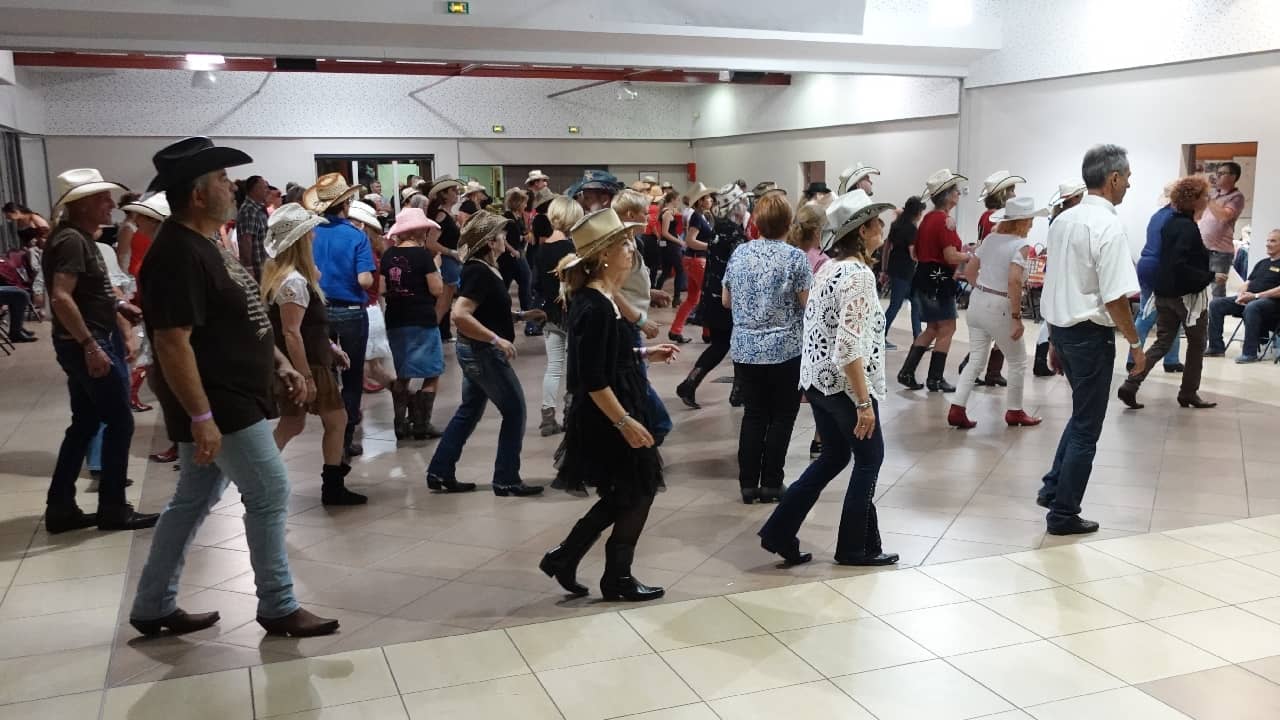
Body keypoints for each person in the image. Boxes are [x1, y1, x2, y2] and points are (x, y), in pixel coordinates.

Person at [130, 136, 338, 638]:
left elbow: (238, 319)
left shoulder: (206, 244)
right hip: (219, 401)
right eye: (223, 180)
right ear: (198, 194)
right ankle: (277, 604)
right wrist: (201, 417)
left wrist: (281, 363)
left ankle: (154, 603)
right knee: (269, 489)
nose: (233, 187)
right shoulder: (177, 252)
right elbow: (173, 342)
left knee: (193, 499)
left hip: (234, 394)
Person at [539, 208, 679, 601]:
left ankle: (568, 557)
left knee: (627, 491)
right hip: (607, 414)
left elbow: (607, 357)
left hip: (617, 403)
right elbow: (591, 377)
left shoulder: (604, 300)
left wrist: (644, 354)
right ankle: (613, 575)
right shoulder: (593, 305)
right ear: (602, 255)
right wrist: (625, 423)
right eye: (623, 243)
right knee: (639, 488)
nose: (631, 249)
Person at [759, 188, 898, 566]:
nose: (881, 228)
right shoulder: (857, 276)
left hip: (817, 381)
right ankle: (854, 546)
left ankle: (778, 531)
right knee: (870, 460)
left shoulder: (829, 269)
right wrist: (864, 403)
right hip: (842, 386)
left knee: (834, 457)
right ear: (864, 230)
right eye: (876, 223)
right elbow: (849, 347)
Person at [41, 169, 157, 534]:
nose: (111, 204)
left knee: (86, 423)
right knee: (119, 421)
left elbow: (89, 291)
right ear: (82, 204)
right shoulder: (73, 241)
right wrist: (90, 344)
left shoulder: (78, 238)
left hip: (83, 340)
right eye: (103, 198)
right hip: (89, 343)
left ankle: (60, 506)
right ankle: (112, 508)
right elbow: (61, 296)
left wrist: (120, 307)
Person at [1037, 144, 1143, 536]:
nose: (1129, 184)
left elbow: (1055, 284)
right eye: (1128, 178)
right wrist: (1135, 343)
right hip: (1090, 335)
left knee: (1081, 415)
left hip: (1062, 329)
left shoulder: (1063, 220)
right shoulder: (1108, 226)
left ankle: (1053, 486)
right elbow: (1115, 297)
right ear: (1113, 178)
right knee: (1087, 427)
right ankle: (1064, 513)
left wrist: (1051, 341)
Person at [426, 210, 546, 497]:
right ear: (491, 242)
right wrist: (496, 339)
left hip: (476, 349)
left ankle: (440, 470)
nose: (506, 239)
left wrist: (519, 315)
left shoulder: (485, 267)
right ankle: (506, 478)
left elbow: (486, 309)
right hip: (482, 351)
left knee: (469, 410)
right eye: (502, 235)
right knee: (514, 410)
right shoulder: (479, 270)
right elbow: (461, 314)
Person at [261, 204, 365, 504]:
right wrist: (306, 376)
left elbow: (302, 328)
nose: (314, 238)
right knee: (337, 420)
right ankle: (331, 487)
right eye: (309, 234)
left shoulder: (288, 278)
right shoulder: (293, 281)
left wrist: (331, 348)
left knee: (293, 423)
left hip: (310, 361)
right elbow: (292, 332)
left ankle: (258, 476)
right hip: (308, 365)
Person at [723, 192, 812, 504]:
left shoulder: (739, 254)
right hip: (785, 348)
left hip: (745, 348)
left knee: (754, 415)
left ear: (757, 222)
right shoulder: (795, 258)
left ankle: (747, 484)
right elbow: (807, 305)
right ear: (789, 223)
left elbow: (726, 300)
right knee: (782, 416)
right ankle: (772, 482)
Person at [946, 196, 1047, 429]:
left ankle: (957, 408)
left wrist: (983, 288)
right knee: (1018, 360)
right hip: (1000, 305)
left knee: (976, 359)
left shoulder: (990, 239)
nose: (1032, 224)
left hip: (978, 300)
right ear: (1022, 221)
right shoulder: (1020, 245)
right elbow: (1014, 281)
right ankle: (1014, 410)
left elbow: (970, 271)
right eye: (1030, 219)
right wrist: (1016, 317)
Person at [1117, 176, 1216, 410]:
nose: (1206, 200)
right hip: (1186, 297)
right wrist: (1207, 277)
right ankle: (1188, 392)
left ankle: (1131, 383)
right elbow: (1179, 264)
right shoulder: (1187, 227)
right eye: (1204, 196)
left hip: (1164, 293)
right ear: (1193, 200)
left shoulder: (1168, 221)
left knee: (1162, 341)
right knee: (1196, 343)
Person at [303, 173, 374, 459]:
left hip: (319, 310)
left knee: (328, 376)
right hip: (351, 312)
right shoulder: (357, 235)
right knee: (353, 376)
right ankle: (345, 438)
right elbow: (365, 280)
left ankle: (331, 432)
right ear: (346, 203)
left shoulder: (311, 233)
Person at [898, 169, 972, 392]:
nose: (959, 194)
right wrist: (970, 256)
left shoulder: (928, 218)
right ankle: (935, 378)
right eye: (956, 191)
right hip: (938, 278)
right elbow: (950, 256)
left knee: (932, 327)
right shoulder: (944, 221)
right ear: (947, 195)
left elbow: (917, 253)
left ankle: (907, 372)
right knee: (948, 327)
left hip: (924, 275)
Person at [381, 207, 447, 441]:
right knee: (433, 371)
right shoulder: (423, 257)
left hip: (396, 319)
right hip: (421, 318)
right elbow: (437, 289)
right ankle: (422, 423)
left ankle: (400, 422)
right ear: (417, 230)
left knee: (403, 372)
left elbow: (381, 288)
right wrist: (436, 268)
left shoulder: (388, 256)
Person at [535, 196, 584, 436]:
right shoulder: (574, 249)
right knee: (574, 367)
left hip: (550, 315)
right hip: (573, 315)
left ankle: (547, 417)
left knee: (553, 368)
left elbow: (535, 284)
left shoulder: (541, 249)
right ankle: (571, 413)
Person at [1033, 180, 1088, 376]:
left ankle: (1043, 358)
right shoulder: (1069, 219)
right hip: (1065, 271)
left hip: (1057, 270)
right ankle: (1046, 358)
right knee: (1055, 316)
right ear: (1075, 198)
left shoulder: (1057, 218)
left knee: (1053, 315)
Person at [1131, 184, 1186, 373]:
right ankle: (1135, 359)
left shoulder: (1158, 215)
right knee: (1150, 316)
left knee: (1155, 313)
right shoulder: (1175, 219)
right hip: (1160, 268)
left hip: (1147, 265)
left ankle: (1171, 359)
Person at [1207, 228, 1280, 362]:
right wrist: (1241, 294)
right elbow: (1247, 282)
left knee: (1253, 306)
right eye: (1268, 240)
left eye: (1273, 241)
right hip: (1250, 299)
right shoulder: (1262, 263)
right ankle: (1216, 348)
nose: (1268, 244)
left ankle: (1249, 353)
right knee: (1216, 304)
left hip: (1271, 304)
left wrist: (1255, 296)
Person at [347, 199, 395, 393]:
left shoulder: (363, 254)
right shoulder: (374, 251)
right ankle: (407, 399)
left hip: (365, 311)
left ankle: (407, 398)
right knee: (371, 366)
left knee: (370, 367)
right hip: (373, 309)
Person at [669, 183, 716, 344]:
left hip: (693, 260)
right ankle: (707, 332)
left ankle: (676, 329)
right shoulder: (697, 217)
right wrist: (710, 246)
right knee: (707, 296)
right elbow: (690, 240)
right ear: (700, 201)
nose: (710, 200)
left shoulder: (701, 216)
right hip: (697, 260)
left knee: (693, 298)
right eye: (707, 198)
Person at [424, 176, 466, 341]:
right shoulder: (442, 215)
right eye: (453, 191)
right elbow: (430, 243)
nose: (457, 194)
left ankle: (436, 334)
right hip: (449, 262)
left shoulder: (448, 214)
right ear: (445, 195)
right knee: (443, 304)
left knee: (446, 303)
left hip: (453, 261)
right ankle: (431, 335)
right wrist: (451, 252)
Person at [880, 196, 925, 349]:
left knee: (911, 303)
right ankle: (880, 336)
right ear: (917, 213)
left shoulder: (896, 225)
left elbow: (886, 247)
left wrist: (884, 269)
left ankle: (918, 337)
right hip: (906, 271)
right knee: (897, 304)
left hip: (895, 268)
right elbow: (913, 253)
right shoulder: (912, 229)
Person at [1200, 161, 1245, 298]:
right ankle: (1201, 318)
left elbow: (1224, 216)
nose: (1217, 176)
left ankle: (1215, 319)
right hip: (1203, 248)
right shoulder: (1214, 195)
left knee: (1217, 289)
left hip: (1220, 252)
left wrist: (1208, 200)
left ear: (1233, 176)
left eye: (1222, 173)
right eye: (1217, 173)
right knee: (1199, 285)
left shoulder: (1236, 197)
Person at [499, 187, 536, 326]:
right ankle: (528, 321)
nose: (526, 206)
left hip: (518, 255)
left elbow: (516, 235)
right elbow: (502, 237)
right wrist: (512, 250)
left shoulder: (518, 217)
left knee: (520, 286)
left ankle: (528, 320)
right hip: (511, 257)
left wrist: (524, 237)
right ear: (518, 203)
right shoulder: (507, 217)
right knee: (521, 285)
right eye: (524, 203)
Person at [234, 175, 271, 282]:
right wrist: (249, 269)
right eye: (264, 187)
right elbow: (245, 241)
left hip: (265, 268)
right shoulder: (249, 211)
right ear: (255, 189)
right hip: (258, 271)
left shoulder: (258, 209)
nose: (267, 191)